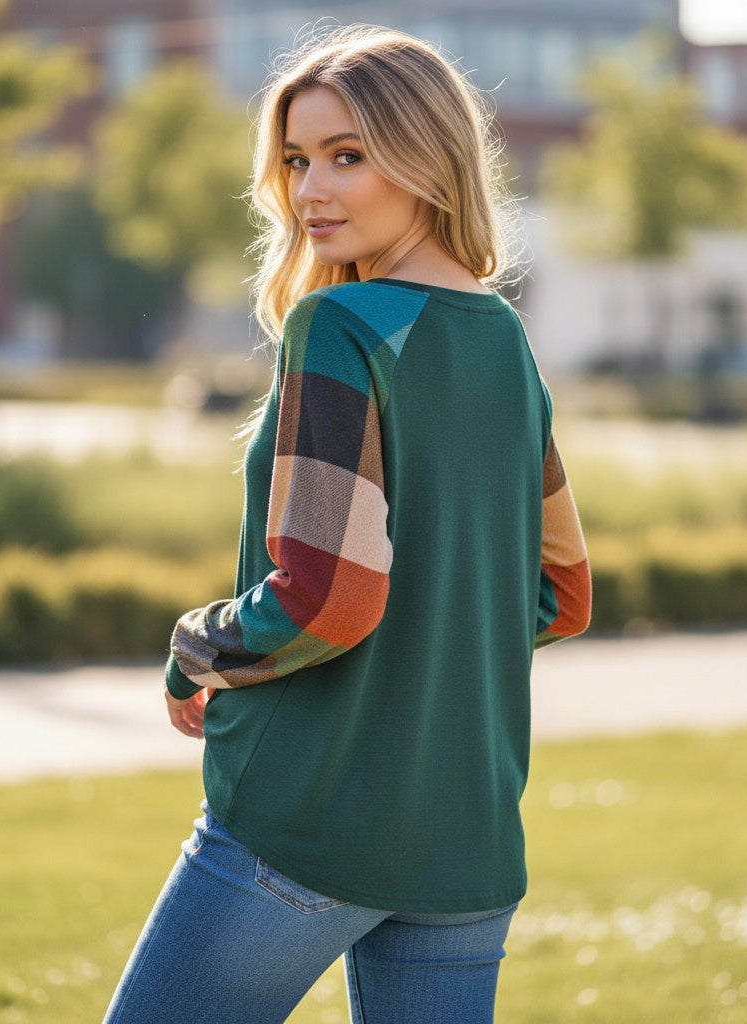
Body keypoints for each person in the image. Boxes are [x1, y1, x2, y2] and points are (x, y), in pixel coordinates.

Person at [101, 22, 592, 1024]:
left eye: (346, 156)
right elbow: (560, 592)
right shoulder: (507, 345)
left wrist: (197, 649)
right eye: (294, 160)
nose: (308, 191)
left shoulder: (340, 327)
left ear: (426, 157)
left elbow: (329, 597)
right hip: (465, 842)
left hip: (309, 827)